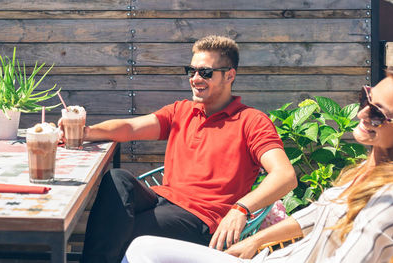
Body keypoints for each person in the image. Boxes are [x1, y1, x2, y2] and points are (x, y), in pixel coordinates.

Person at [123, 67, 393, 263]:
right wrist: (257, 242)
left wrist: (243, 213)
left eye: (378, 113)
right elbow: (317, 214)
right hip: (270, 259)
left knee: (144, 251)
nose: (363, 114)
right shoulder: (369, 172)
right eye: (366, 98)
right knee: (142, 248)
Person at [72, 35, 297, 262]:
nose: (195, 78)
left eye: (205, 72)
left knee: (118, 229)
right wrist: (85, 131)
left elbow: (285, 175)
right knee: (116, 179)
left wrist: (241, 208)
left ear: (230, 75)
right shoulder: (181, 111)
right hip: (163, 200)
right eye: (191, 71)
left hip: (203, 220)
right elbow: (130, 128)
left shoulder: (251, 121)